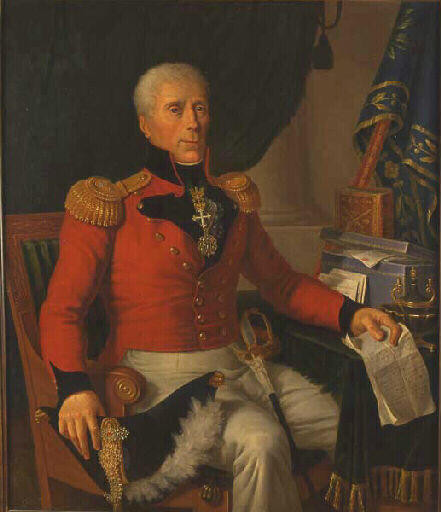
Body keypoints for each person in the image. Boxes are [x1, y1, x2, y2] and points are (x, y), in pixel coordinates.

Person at [39, 63, 401, 512]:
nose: (193, 122)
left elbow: (282, 283)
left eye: (200, 109)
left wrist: (351, 314)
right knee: (262, 442)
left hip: (240, 368)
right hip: (157, 385)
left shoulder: (233, 202)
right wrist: (73, 385)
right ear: (146, 126)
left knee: (350, 425)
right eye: (176, 110)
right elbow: (63, 309)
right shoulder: (110, 207)